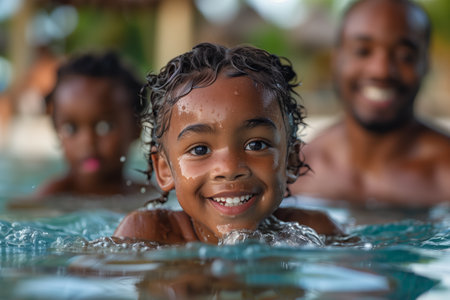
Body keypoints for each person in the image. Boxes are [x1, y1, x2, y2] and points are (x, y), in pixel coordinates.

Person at [113, 43, 342, 245]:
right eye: (200, 150)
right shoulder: (148, 234)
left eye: (256, 145)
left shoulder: (315, 232)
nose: (230, 169)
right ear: (164, 170)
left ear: (290, 160)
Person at [289, 0, 450, 207]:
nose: (381, 70)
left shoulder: (445, 173)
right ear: (336, 60)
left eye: (405, 56)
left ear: (425, 65)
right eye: (362, 51)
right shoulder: (295, 173)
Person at [35, 52, 148, 197]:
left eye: (104, 127)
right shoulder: (46, 201)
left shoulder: (150, 198)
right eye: (71, 128)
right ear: (56, 130)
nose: (87, 141)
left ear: (136, 128)